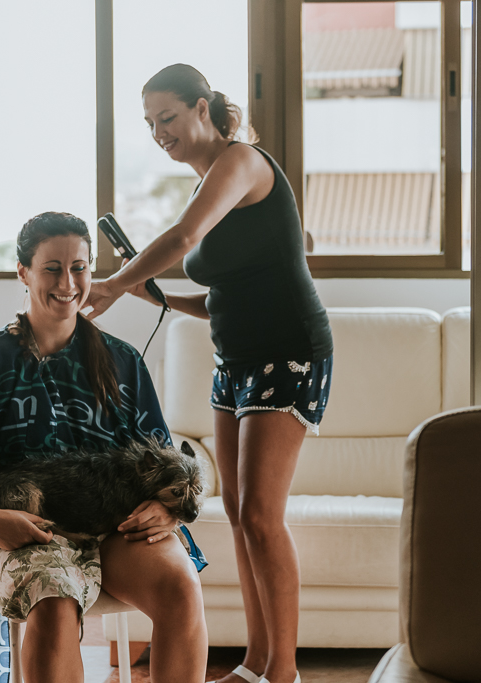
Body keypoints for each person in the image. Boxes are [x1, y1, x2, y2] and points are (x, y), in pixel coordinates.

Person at [86, 64, 333, 683]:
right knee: (239, 511)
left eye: (166, 117)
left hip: (289, 351)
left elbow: (185, 234)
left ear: (202, 108)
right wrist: (153, 298)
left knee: (260, 516)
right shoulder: (205, 183)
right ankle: (254, 663)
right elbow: (226, 294)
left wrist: (116, 283)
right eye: (148, 124)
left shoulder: (241, 161)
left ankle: (285, 673)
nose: (157, 133)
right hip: (237, 357)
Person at [0, 212, 208, 683]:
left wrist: (168, 510)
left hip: (113, 527)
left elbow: (165, 463)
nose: (68, 282)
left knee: (181, 588)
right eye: (52, 268)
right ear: (23, 272)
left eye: (79, 267)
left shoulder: (123, 363)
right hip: (19, 527)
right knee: (53, 598)